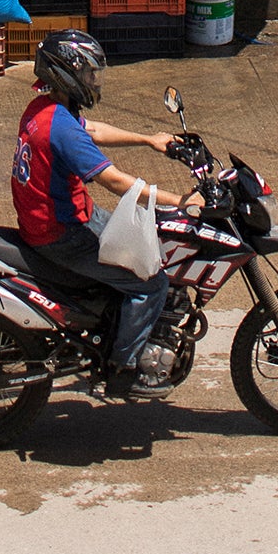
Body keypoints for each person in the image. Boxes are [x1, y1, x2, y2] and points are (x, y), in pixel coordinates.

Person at [10, 30, 199, 389]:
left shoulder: (46, 110)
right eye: (87, 74)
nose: (93, 81)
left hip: (68, 215)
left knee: (150, 244)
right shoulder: (60, 128)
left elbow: (92, 130)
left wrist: (148, 139)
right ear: (66, 74)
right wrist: (180, 202)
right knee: (151, 283)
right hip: (61, 233)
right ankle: (122, 367)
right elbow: (114, 181)